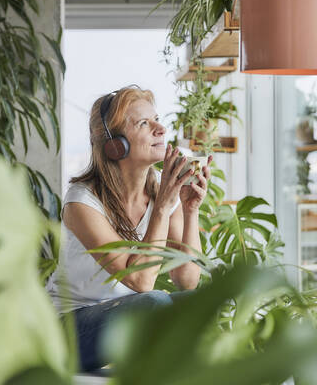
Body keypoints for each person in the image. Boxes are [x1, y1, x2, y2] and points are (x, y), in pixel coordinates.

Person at [47, 85, 211, 371]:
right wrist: (162, 206)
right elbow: (140, 282)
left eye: (157, 119)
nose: (161, 129)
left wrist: (189, 209)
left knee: (200, 302)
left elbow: (186, 280)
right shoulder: (82, 203)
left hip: (120, 321)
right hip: (66, 332)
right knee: (155, 302)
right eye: (144, 123)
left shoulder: (161, 190)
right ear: (115, 145)